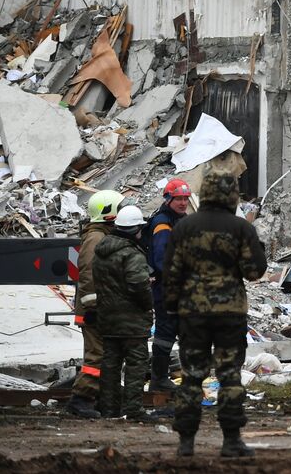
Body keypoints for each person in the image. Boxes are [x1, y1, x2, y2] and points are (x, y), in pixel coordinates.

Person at [162, 168, 267, 458]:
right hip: (230, 313)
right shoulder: (241, 228)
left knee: (192, 375)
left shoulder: (185, 227)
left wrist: (173, 306)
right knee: (230, 376)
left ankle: (186, 442)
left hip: (192, 313)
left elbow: (171, 272)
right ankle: (231, 440)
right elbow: (254, 271)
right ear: (232, 193)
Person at [67, 189, 123, 419]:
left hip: (102, 308)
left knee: (104, 355)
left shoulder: (103, 235)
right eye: (119, 209)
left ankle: (99, 398)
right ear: (108, 214)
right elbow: (88, 273)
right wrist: (93, 307)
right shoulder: (96, 238)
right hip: (94, 311)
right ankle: (81, 399)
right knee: (96, 356)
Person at [94, 205, 155, 420]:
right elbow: (138, 286)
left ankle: (108, 409)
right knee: (136, 364)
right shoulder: (132, 254)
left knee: (110, 364)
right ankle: (133, 409)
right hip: (132, 321)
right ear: (135, 229)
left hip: (108, 318)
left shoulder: (102, 250)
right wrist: (149, 304)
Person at [144, 178, 192, 392]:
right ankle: (159, 380)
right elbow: (163, 259)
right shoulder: (163, 223)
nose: (183, 203)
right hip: (168, 288)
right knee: (165, 332)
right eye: (178, 199)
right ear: (168, 199)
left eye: (185, 198)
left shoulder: (182, 220)